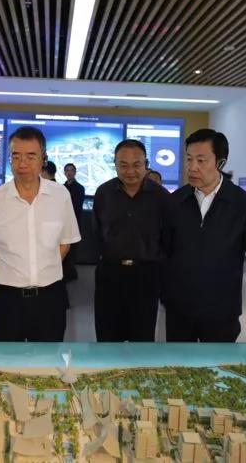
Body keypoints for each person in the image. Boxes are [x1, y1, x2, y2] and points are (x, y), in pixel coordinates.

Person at [164, 129, 246, 344]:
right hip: (180, 310)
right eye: (189, 159)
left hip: (221, 311)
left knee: (218, 363)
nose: (192, 167)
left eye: (201, 160)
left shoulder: (243, 204)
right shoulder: (175, 201)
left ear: (220, 163)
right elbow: (163, 253)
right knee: (177, 362)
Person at [0, 126, 81, 342]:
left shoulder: (60, 195)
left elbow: (65, 243)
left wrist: (41, 269)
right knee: (5, 358)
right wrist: (10, 269)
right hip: (6, 299)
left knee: (49, 358)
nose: (22, 163)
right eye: (16, 156)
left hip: (50, 298)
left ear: (43, 159)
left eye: (31, 156)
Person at [92, 139, 171, 342]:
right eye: (123, 165)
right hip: (110, 275)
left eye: (136, 165)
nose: (130, 171)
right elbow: (96, 233)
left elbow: (168, 239)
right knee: (107, 338)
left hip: (146, 277)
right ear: (115, 165)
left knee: (142, 339)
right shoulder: (103, 193)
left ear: (146, 164)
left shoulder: (161, 197)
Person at [63, 163, 85, 282]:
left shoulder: (80, 188)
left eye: (71, 170)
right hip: (62, 222)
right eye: (67, 170)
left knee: (72, 249)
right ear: (64, 173)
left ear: (75, 172)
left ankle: (71, 273)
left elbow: (77, 206)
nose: (69, 172)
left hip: (75, 221)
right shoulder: (61, 187)